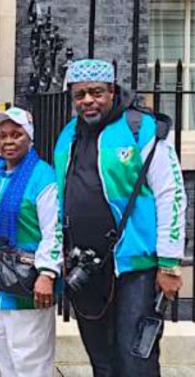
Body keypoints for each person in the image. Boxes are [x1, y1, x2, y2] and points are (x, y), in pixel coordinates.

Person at [55, 59, 186, 377]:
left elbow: (172, 194)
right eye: (80, 94)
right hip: (85, 266)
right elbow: (61, 192)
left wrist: (169, 263)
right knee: (101, 359)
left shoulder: (140, 128)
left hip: (133, 268)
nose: (88, 100)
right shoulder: (69, 133)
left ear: (112, 91)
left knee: (135, 359)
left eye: (96, 92)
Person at [0, 107, 62, 377]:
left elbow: (54, 229)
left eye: (16, 134)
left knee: (30, 359)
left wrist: (47, 274)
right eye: (3, 136)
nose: (8, 141)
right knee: (4, 354)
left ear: (30, 137)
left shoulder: (42, 176)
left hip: (27, 283)